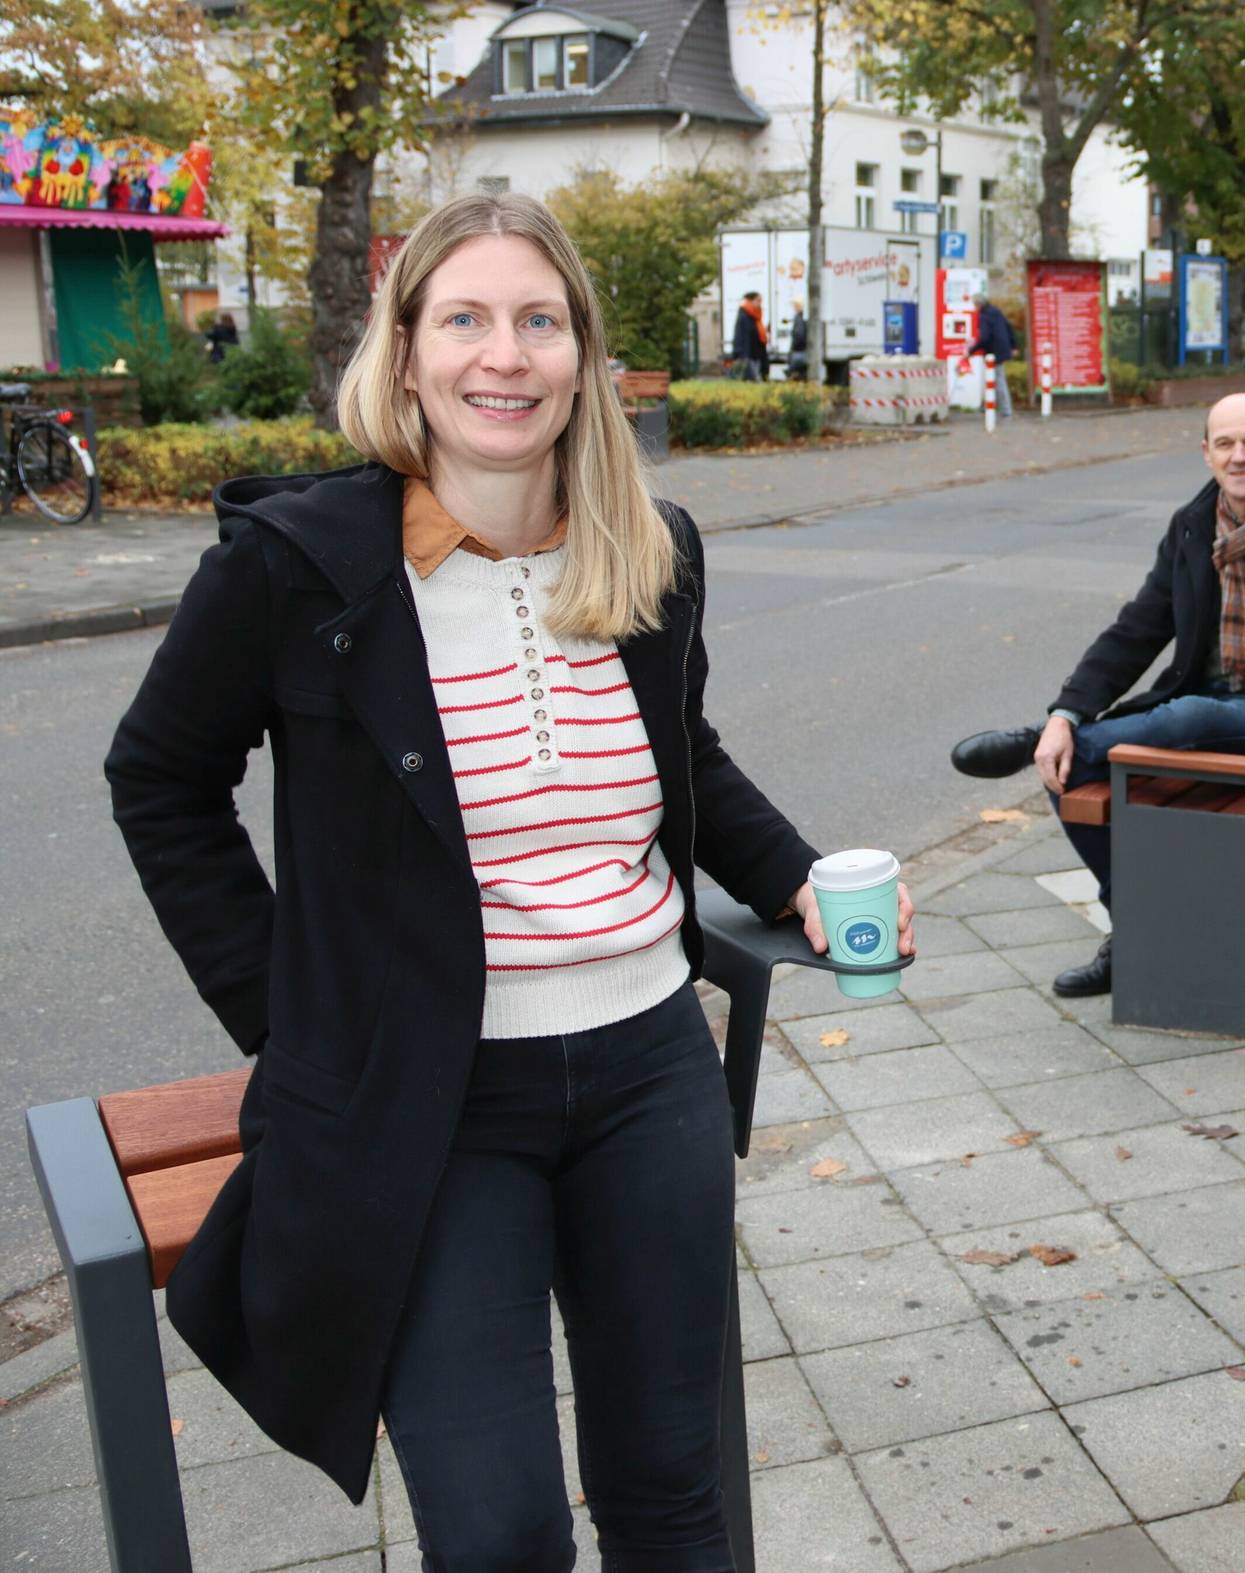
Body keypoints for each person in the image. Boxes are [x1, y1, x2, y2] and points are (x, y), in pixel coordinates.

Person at [103, 191, 915, 1570]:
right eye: (466, 318)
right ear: (406, 349)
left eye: (540, 321)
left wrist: (796, 879)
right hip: (434, 1105)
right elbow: (159, 781)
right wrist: (292, 1016)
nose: (505, 355)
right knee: (499, 1532)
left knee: (670, 1491)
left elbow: (682, 755)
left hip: (649, 1069)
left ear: (583, 356)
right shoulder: (299, 567)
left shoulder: (649, 547)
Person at [946, 394, 1245, 997]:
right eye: (1225, 444)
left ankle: (1044, 747)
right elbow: (1138, 628)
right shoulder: (1193, 528)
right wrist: (1067, 712)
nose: (1239, 455)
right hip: (1207, 717)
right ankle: (1134, 929)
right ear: (1207, 453)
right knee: (1065, 768)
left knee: (1186, 714)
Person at [968, 292, 1016, 420]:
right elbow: (1009, 327)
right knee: (992, 378)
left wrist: (971, 351)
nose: (974, 307)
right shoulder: (996, 311)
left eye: (974, 305)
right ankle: (986, 405)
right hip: (1002, 348)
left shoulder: (983, 316)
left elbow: (984, 338)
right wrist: (1013, 345)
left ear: (979, 304)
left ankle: (1006, 410)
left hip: (994, 351)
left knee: (998, 379)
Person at [730, 289, 767, 381]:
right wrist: (742, 354)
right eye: (758, 300)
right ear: (751, 301)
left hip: (755, 353)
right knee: (752, 378)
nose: (760, 303)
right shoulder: (745, 315)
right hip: (747, 355)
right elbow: (742, 336)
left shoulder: (755, 315)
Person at [787, 299, 810, 381]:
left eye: (795, 305)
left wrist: (794, 347)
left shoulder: (799, 317)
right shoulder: (805, 317)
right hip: (804, 350)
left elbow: (799, 335)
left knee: (795, 374)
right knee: (802, 374)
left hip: (798, 351)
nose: (794, 307)